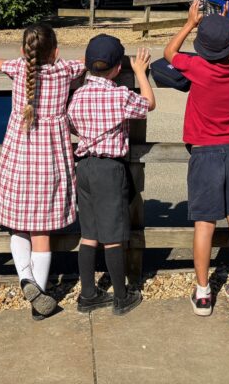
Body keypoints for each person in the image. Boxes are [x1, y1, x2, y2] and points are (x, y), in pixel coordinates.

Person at [165, 0, 229, 316]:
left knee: (204, 225)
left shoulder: (198, 68)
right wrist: (227, 28)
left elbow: (169, 53)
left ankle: (203, 292)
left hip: (203, 152)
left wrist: (191, 23)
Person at [0, 24, 85, 320]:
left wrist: (11, 61)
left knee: (18, 225)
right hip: (51, 159)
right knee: (41, 231)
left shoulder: (18, 68)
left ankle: (25, 280)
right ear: (55, 51)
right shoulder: (64, 71)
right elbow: (83, 63)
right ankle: (38, 295)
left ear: (23, 51)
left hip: (19, 156)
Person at [68, 35, 155, 316]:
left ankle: (88, 294)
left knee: (90, 233)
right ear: (119, 68)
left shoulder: (78, 94)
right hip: (110, 168)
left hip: (85, 166)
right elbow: (148, 104)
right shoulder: (119, 95)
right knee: (115, 234)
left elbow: (70, 122)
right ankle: (120, 295)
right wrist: (141, 73)